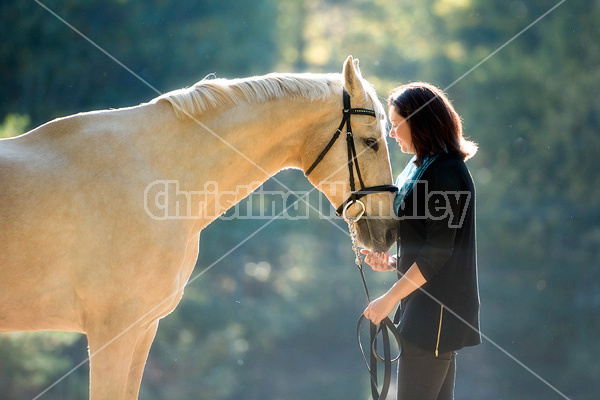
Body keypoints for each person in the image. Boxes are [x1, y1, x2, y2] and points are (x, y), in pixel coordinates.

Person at [361, 82, 481, 400]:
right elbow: (426, 246)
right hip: (424, 314)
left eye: (396, 123)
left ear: (420, 122)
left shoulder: (445, 173)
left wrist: (388, 299)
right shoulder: (422, 167)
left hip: (434, 317)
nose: (392, 133)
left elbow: (437, 255)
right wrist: (392, 263)